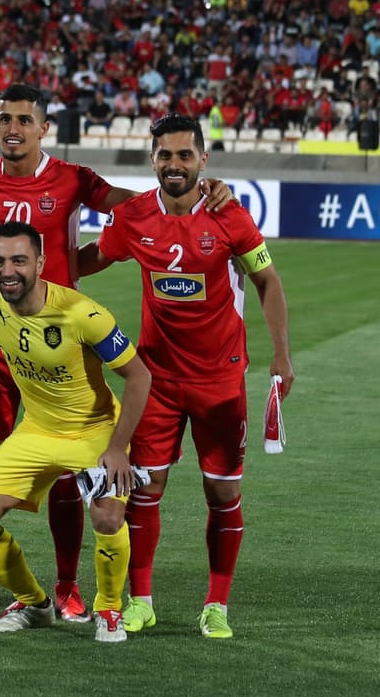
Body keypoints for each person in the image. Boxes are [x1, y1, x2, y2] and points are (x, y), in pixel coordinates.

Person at [0, 83, 234, 622]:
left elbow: (136, 205)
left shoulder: (72, 179)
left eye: (25, 120)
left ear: (44, 127)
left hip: (63, 341)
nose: (13, 129)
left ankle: (68, 586)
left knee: (70, 464)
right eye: (5, 119)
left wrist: (203, 191)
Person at [80, 113, 293, 639]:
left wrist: (282, 355)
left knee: (223, 495)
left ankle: (216, 605)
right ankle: (142, 601)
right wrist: (34, 266)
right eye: (164, 155)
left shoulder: (230, 215)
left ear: (203, 159)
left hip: (220, 382)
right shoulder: (133, 218)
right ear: (152, 160)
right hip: (156, 380)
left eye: (183, 155)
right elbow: (94, 258)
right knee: (145, 490)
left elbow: (266, 280)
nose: (174, 164)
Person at [0, 222, 152, 644]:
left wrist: (117, 448)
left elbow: (139, 376)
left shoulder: (82, 314)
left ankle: (109, 610)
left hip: (94, 433)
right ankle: (34, 604)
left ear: (40, 263)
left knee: (108, 515)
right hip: (38, 431)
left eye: (20, 260)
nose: (8, 271)